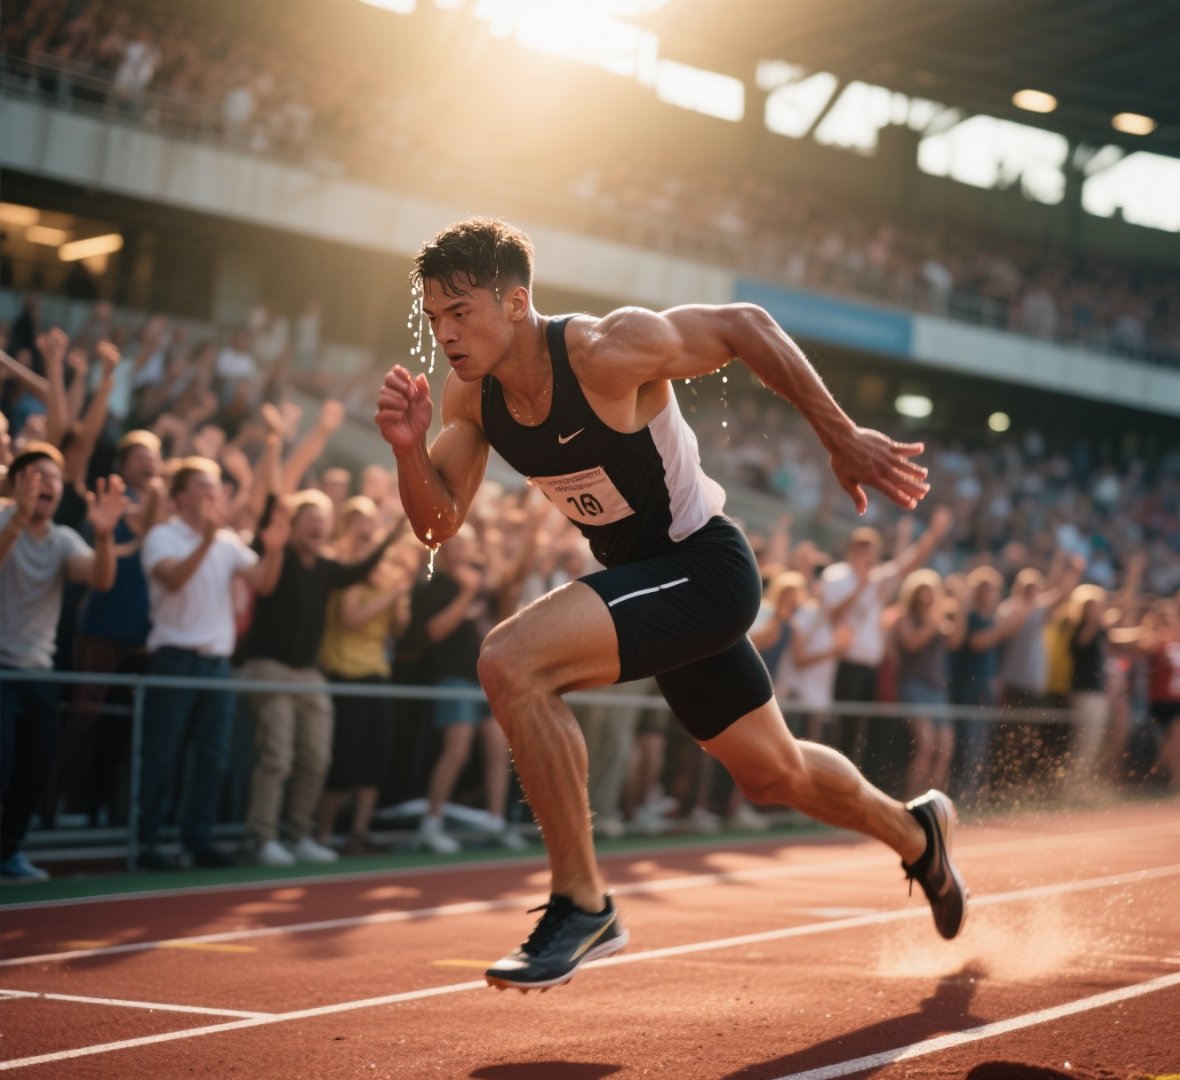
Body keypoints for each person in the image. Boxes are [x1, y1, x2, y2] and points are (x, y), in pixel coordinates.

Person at [374, 217, 967, 993]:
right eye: (434, 320)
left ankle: (582, 901)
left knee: (511, 662)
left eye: (461, 313)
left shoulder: (602, 351)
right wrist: (408, 450)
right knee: (774, 774)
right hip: (650, 592)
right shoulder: (470, 399)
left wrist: (840, 434)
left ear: (515, 303)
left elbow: (746, 325)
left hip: (705, 570)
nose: (446, 335)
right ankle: (917, 833)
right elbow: (436, 523)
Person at [136, 456, 288, 870]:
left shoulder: (226, 541)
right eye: (203, 487)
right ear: (180, 495)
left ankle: (197, 840)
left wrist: (273, 550)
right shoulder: (162, 537)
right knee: (161, 756)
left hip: (216, 664)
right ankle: (147, 843)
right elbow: (173, 579)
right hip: (173, 659)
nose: (211, 494)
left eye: (215, 487)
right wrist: (206, 538)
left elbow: (263, 583)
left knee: (212, 757)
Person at [0, 443, 126, 880]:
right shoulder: (2, 519)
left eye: (54, 476)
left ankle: (10, 853)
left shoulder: (64, 539)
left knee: (33, 773)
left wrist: (106, 535)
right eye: (37, 474)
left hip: (38, 672)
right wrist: (16, 518)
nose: (48, 483)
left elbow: (101, 578)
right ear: (15, 482)